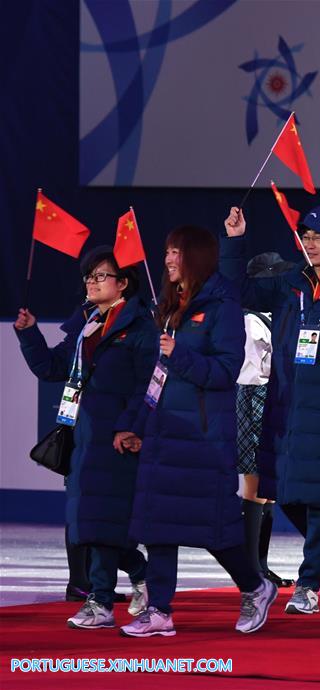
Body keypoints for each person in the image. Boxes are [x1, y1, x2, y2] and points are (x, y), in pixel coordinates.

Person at [221, 206, 320, 616]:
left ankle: (308, 583)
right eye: (306, 236)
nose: (311, 243)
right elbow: (236, 289)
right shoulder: (291, 282)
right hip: (287, 406)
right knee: (284, 492)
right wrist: (235, 241)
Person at [122, 226, 276, 637]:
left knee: (215, 529)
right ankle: (159, 611)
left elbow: (226, 372)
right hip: (163, 435)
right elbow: (157, 377)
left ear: (196, 257)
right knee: (158, 524)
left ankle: (256, 587)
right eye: (167, 250)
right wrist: (136, 426)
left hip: (202, 438)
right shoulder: (171, 306)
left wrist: (182, 354)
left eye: (177, 251)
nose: (169, 258)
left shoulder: (224, 306)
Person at [14, 247, 156, 629]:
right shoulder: (87, 323)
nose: (92, 283)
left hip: (116, 439)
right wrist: (29, 335)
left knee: (99, 521)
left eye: (100, 276)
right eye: (89, 277)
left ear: (123, 283)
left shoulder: (141, 327)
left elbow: (148, 385)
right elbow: (51, 368)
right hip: (83, 435)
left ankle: (100, 601)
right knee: (87, 522)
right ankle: (140, 572)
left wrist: (132, 427)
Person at [237, 253, 296, 590]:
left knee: (267, 488)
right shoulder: (250, 319)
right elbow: (261, 365)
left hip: (269, 397)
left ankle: (261, 565)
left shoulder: (276, 316)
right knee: (254, 485)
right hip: (253, 396)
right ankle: (251, 568)